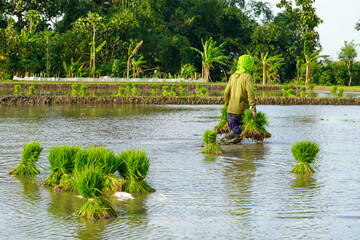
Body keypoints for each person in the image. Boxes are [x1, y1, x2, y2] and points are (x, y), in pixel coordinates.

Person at [221, 54, 257, 144]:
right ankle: (239, 156)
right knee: (238, 136)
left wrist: (226, 105)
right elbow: (250, 94)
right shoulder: (247, 77)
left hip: (230, 111)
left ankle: (229, 153)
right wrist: (253, 109)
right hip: (242, 110)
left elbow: (226, 93)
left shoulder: (232, 76)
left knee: (233, 135)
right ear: (248, 64)